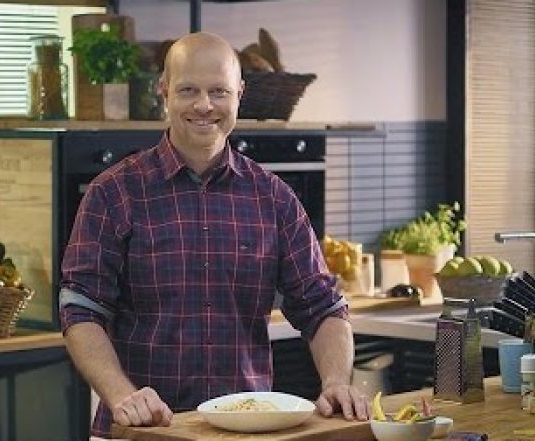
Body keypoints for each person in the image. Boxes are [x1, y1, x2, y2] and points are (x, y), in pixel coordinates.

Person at [59, 31, 367, 438]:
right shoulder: (113, 193)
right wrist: (122, 395)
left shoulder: (274, 198)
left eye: (219, 91)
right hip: (144, 430)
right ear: (164, 91)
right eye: (188, 90)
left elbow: (323, 307)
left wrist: (336, 383)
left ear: (239, 94)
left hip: (248, 432)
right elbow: (81, 309)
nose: (204, 105)